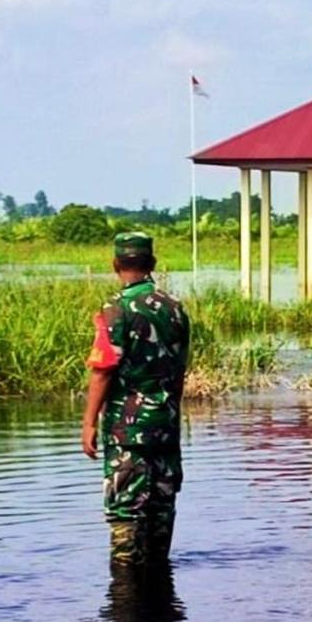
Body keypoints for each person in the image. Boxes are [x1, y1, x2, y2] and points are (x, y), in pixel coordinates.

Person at [80, 232, 190, 565]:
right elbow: (178, 370)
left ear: (116, 264)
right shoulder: (175, 308)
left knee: (126, 510)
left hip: (127, 430)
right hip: (166, 425)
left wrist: (88, 422)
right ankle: (160, 599)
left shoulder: (116, 309)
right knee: (161, 507)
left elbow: (102, 369)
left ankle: (125, 600)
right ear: (152, 264)